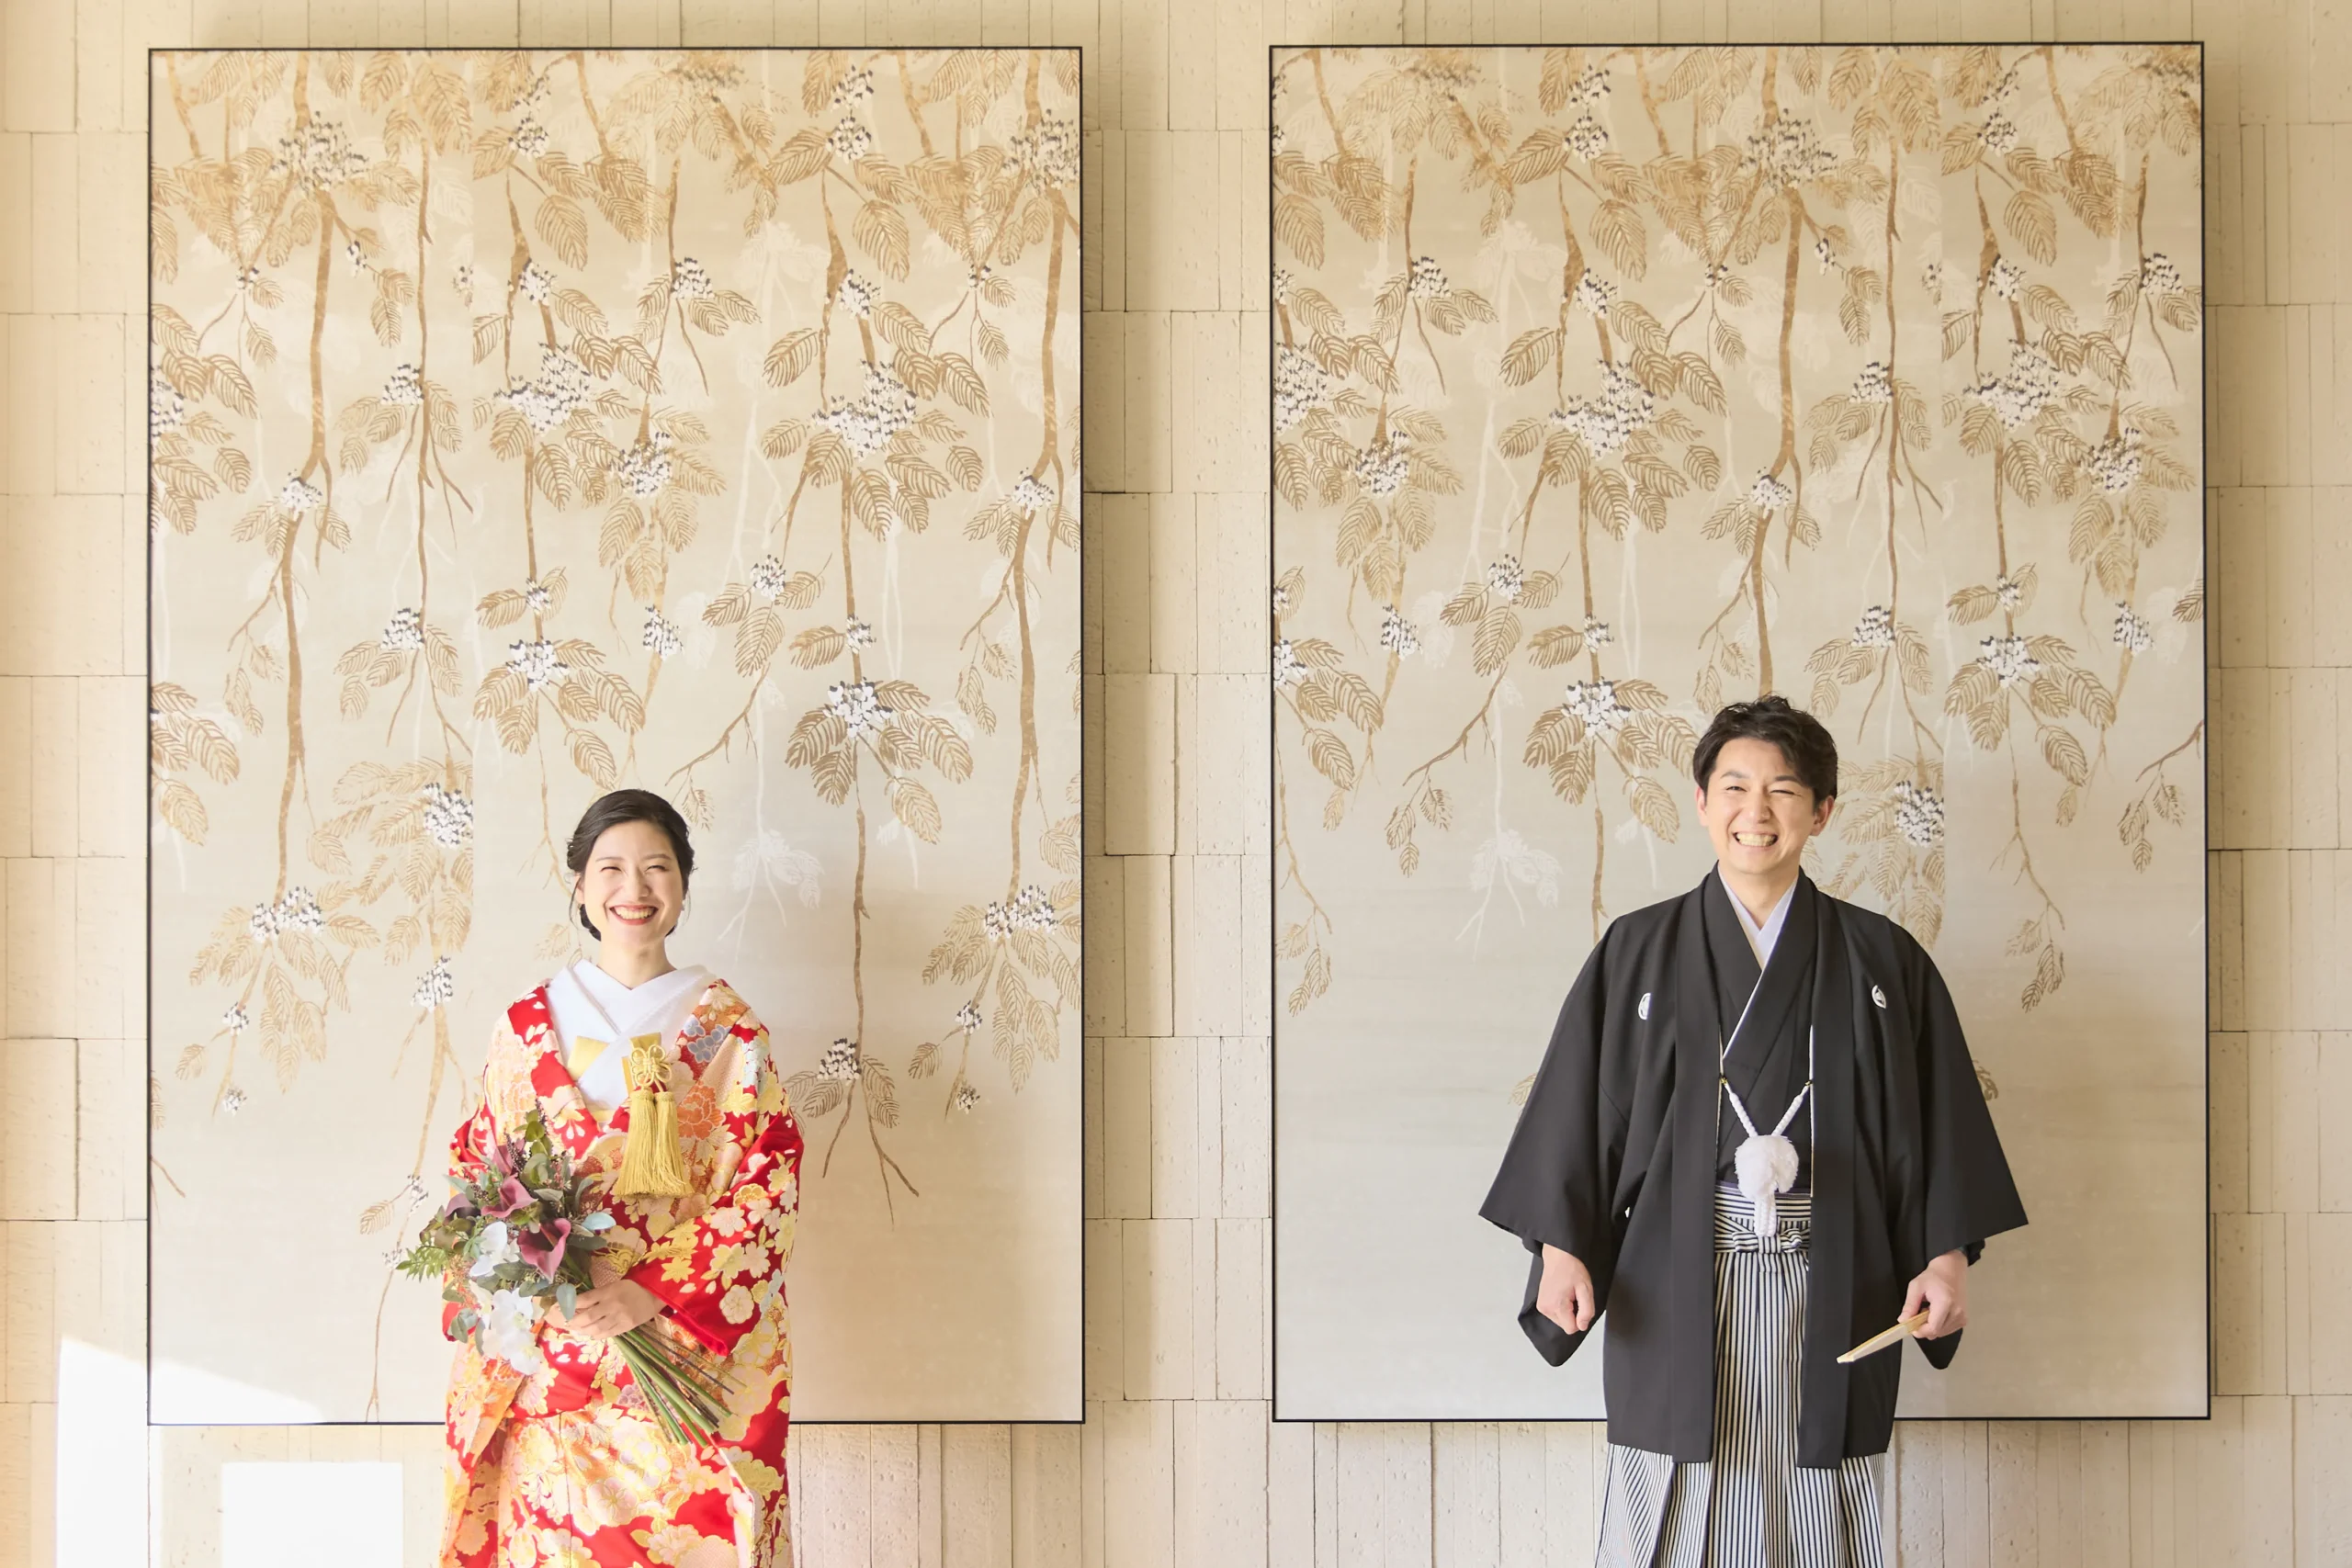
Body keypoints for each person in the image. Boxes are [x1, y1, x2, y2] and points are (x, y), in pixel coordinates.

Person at [1480, 697, 2026, 1568]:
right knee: (1671, 1496)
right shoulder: (1638, 950)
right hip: (1675, 1275)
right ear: (1702, 802)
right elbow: (1582, 1114)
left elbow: (1940, 1122)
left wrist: (1946, 1256)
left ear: (1822, 810)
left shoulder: (1883, 959)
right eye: (1734, 787)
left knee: (1822, 1503)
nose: (1756, 811)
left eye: (1784, 790)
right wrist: (1563, 1247)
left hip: (1836, 1273)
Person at [439, 789, 803, 1568]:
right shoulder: (526, 1028)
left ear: (683, 885)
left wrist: (653, 1291)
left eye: (655, 867)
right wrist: (533, 1279)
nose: (633, 889)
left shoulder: (727, 1031)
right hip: (557, 1359)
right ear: (579, 884)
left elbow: (766, 1187)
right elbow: (479, 1170)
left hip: (683, 1359)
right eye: (610, 867)